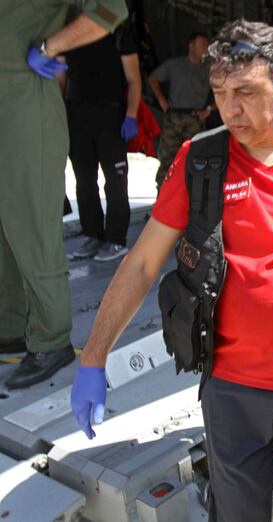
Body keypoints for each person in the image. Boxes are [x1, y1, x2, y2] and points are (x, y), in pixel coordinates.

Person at [70, 20, 273, 521]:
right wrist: (94, 357)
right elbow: (143, 262)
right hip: (233, 392)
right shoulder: (202, 160)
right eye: (219, 92)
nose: (229, 108)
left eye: (245, 92)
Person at [1, 0, 128, 389]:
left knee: (32, 225)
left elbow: (110, 9)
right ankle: (11, 326)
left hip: (26, 105)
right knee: (5, 231)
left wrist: (49, 48)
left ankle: (50, 339)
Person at [64, 21, 142, 261]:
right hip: (77, 116)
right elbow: (61, 78)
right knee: (84, 180)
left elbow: (134, 80)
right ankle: (93, 235)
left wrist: (131, 115)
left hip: (111, 116)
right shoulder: (67, 31)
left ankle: (116, 240)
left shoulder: (118, 32)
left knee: (115, 180)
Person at [149, 32, 213, 189]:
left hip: (195, 119)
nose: (205, 48)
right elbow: (153, 79)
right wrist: (161, 99)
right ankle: (162, 203)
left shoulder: (209, 70)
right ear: (191, 46)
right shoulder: (175, 65)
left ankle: (193, 203)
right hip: (174, 118)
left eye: (207, 45)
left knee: (195, 162)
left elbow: (224, 89)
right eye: (202, 44)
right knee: (167, 162)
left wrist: (210, 109)